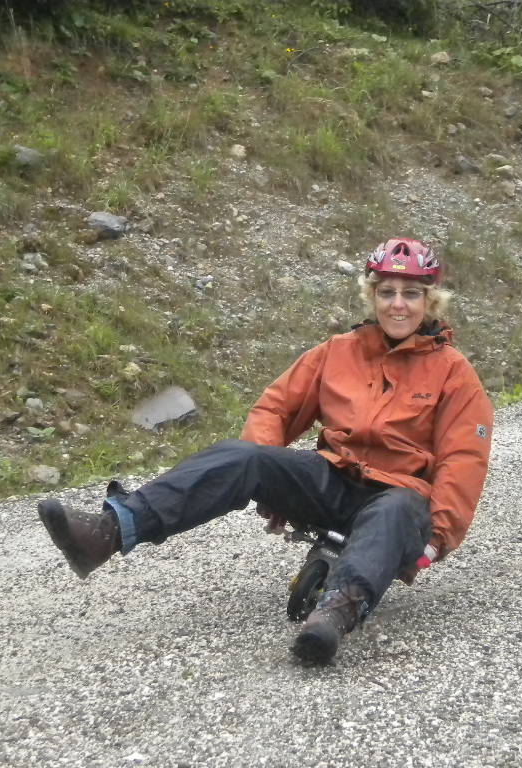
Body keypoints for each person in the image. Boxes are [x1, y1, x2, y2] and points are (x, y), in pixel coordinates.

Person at [37, 237, 494, 664]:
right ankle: (111, 529)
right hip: (332, 479)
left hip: (398, 498)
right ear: (371, 296)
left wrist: (438, 539)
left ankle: (333, 615)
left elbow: (462, 458)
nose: (398, 304)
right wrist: (271, 487)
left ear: (430, 302)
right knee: (243, 456)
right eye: (388, 291)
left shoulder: (454, 373)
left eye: (411, 294)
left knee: (395, 507)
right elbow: (276, 407)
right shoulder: (337, 352)